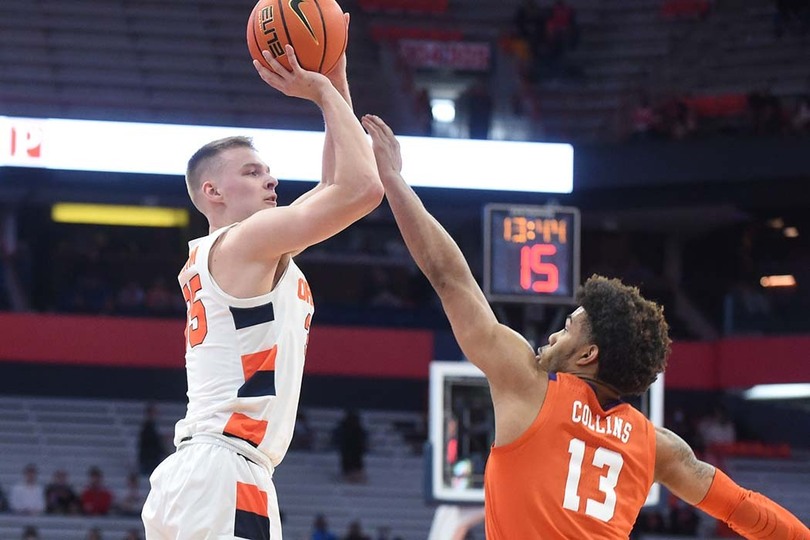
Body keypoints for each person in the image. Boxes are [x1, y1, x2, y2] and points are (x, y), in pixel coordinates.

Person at [360, 114, 810, 539]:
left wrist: (395, 180)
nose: (554, 333)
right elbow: (743, 508)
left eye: (570, 327)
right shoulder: (658, 446)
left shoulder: (527, 383)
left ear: (588, 354)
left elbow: (448, 277)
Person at [141, 17, 384, 539]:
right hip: (220, 469)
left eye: (268, 170)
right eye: (252, 172)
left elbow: (335, 185)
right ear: (213, 193)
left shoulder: (244, 248)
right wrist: (318, 88)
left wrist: (335, 73)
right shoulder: (246, 241)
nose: (270, 178)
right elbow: (363, 189)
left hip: (212, 471)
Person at [137, 403, 166, 476]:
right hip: (149, 460)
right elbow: (151, 442)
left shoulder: (152, 426)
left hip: (152, 459)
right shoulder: (147, 427)